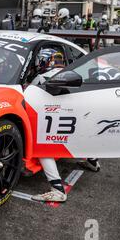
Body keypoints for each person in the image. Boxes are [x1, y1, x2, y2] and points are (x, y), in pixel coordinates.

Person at [29, 49, 101, 202]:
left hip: (54, 117)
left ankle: (57, 189)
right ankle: (93, 161)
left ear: (43, 61)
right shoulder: (72, 73)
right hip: (79, 116)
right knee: (78, 135)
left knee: (42, 147)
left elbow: (28, 97)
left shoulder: (42, 77)